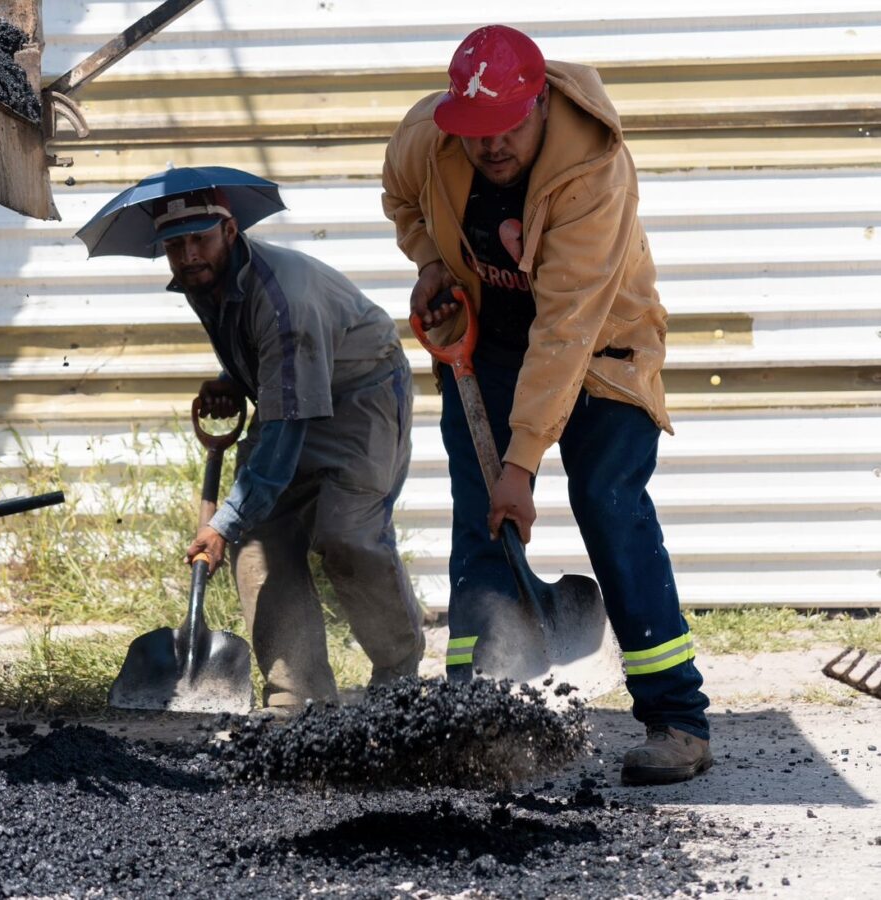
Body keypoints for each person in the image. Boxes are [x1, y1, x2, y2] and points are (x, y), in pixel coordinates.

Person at [382, 24, 711, 785]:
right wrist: (431, 261)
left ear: (537, 104)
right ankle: (473, 714)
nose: (490, 147)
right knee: (481, 519)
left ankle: (677, 719)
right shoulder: (430, 137)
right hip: (489, 348)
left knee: (607, 501)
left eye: (506, 129)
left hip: (601, 347)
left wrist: (522, 462)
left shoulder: (592, 170)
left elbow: (564, 330)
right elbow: (399, 196)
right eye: (475, 135)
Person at [151, 179, 424, 713]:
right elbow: (267, 358)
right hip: (295, 390)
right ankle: (298, 695)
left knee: (346, 533)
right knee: (260, 541)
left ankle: (399, 676)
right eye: (175, 245)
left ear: (230, 231)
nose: (188, 256)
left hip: (359, 397)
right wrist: (234, 375)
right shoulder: (205, 279)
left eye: (200, 239)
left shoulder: (284, 300)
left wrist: (221, 523)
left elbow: (282, 434)